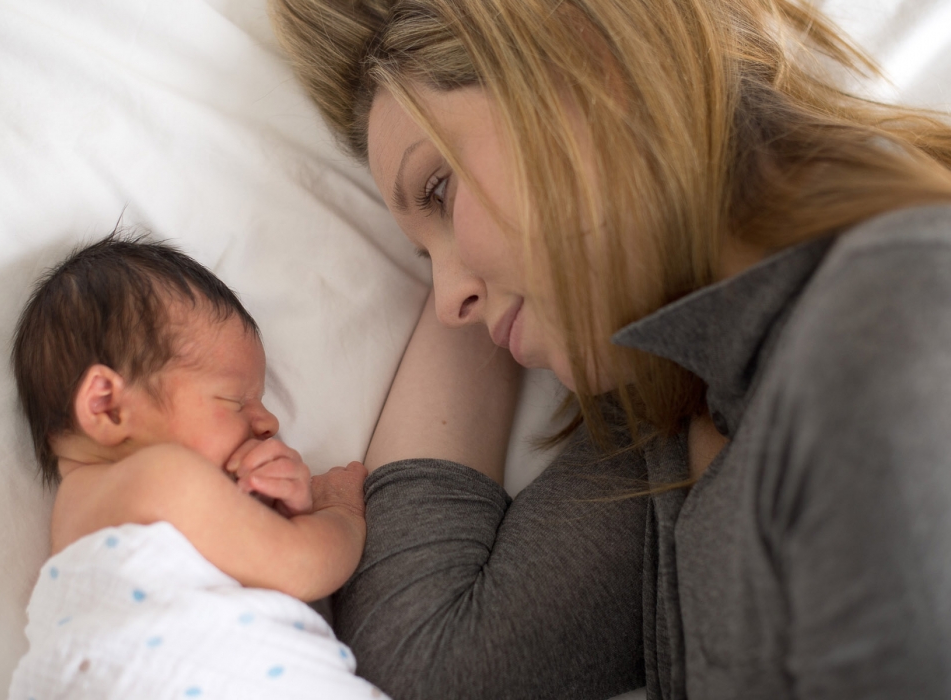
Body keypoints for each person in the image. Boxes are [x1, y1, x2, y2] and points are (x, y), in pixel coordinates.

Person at [271, 0, 951, 698]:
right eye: (421, 254)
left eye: (440, 189)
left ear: (584, 55)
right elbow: (430, 660)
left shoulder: (893, 317)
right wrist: (504, 265)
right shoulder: (682, 397)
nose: (446, 303)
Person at [8, 233, 387, 699]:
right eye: (235, 400)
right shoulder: (162, 477)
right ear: (107, 406)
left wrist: (266, 511)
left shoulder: (77, 532)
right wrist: (340, 512)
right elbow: (302, 565)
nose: (268, 421)